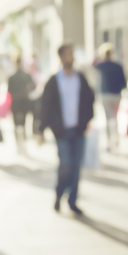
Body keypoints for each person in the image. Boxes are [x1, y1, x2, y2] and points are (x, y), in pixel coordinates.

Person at [38, 44, 95, 216]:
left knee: (76, 167)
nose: (71, 57)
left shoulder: (81, 78)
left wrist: (86, 122)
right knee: (65, 165)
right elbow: (45, 106)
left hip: (78, 130)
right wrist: (41, 129)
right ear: (61, 57)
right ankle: (59, 194)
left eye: (72, 54)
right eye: (68, 54)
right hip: (62, 131)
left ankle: (73, 200)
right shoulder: (54, 81)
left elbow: (89, 101)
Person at [94, 44, 127, 152]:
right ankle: (116, 139)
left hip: (105, 95)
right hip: (116, 95)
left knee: (107, 119)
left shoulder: (101, 65)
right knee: (115, 118)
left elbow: (92, 63)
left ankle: (108, 142)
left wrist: (97, 55)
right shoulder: (118, 66)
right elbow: (124, 82)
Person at [7, 56, 36, 153]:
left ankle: (19, 145)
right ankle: (22, 144)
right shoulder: (26, 76)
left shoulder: (12, 77)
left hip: (16, 102)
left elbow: (9, 91)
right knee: (23, 124)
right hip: (24, 102)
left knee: (16, 124)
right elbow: (33, 87)